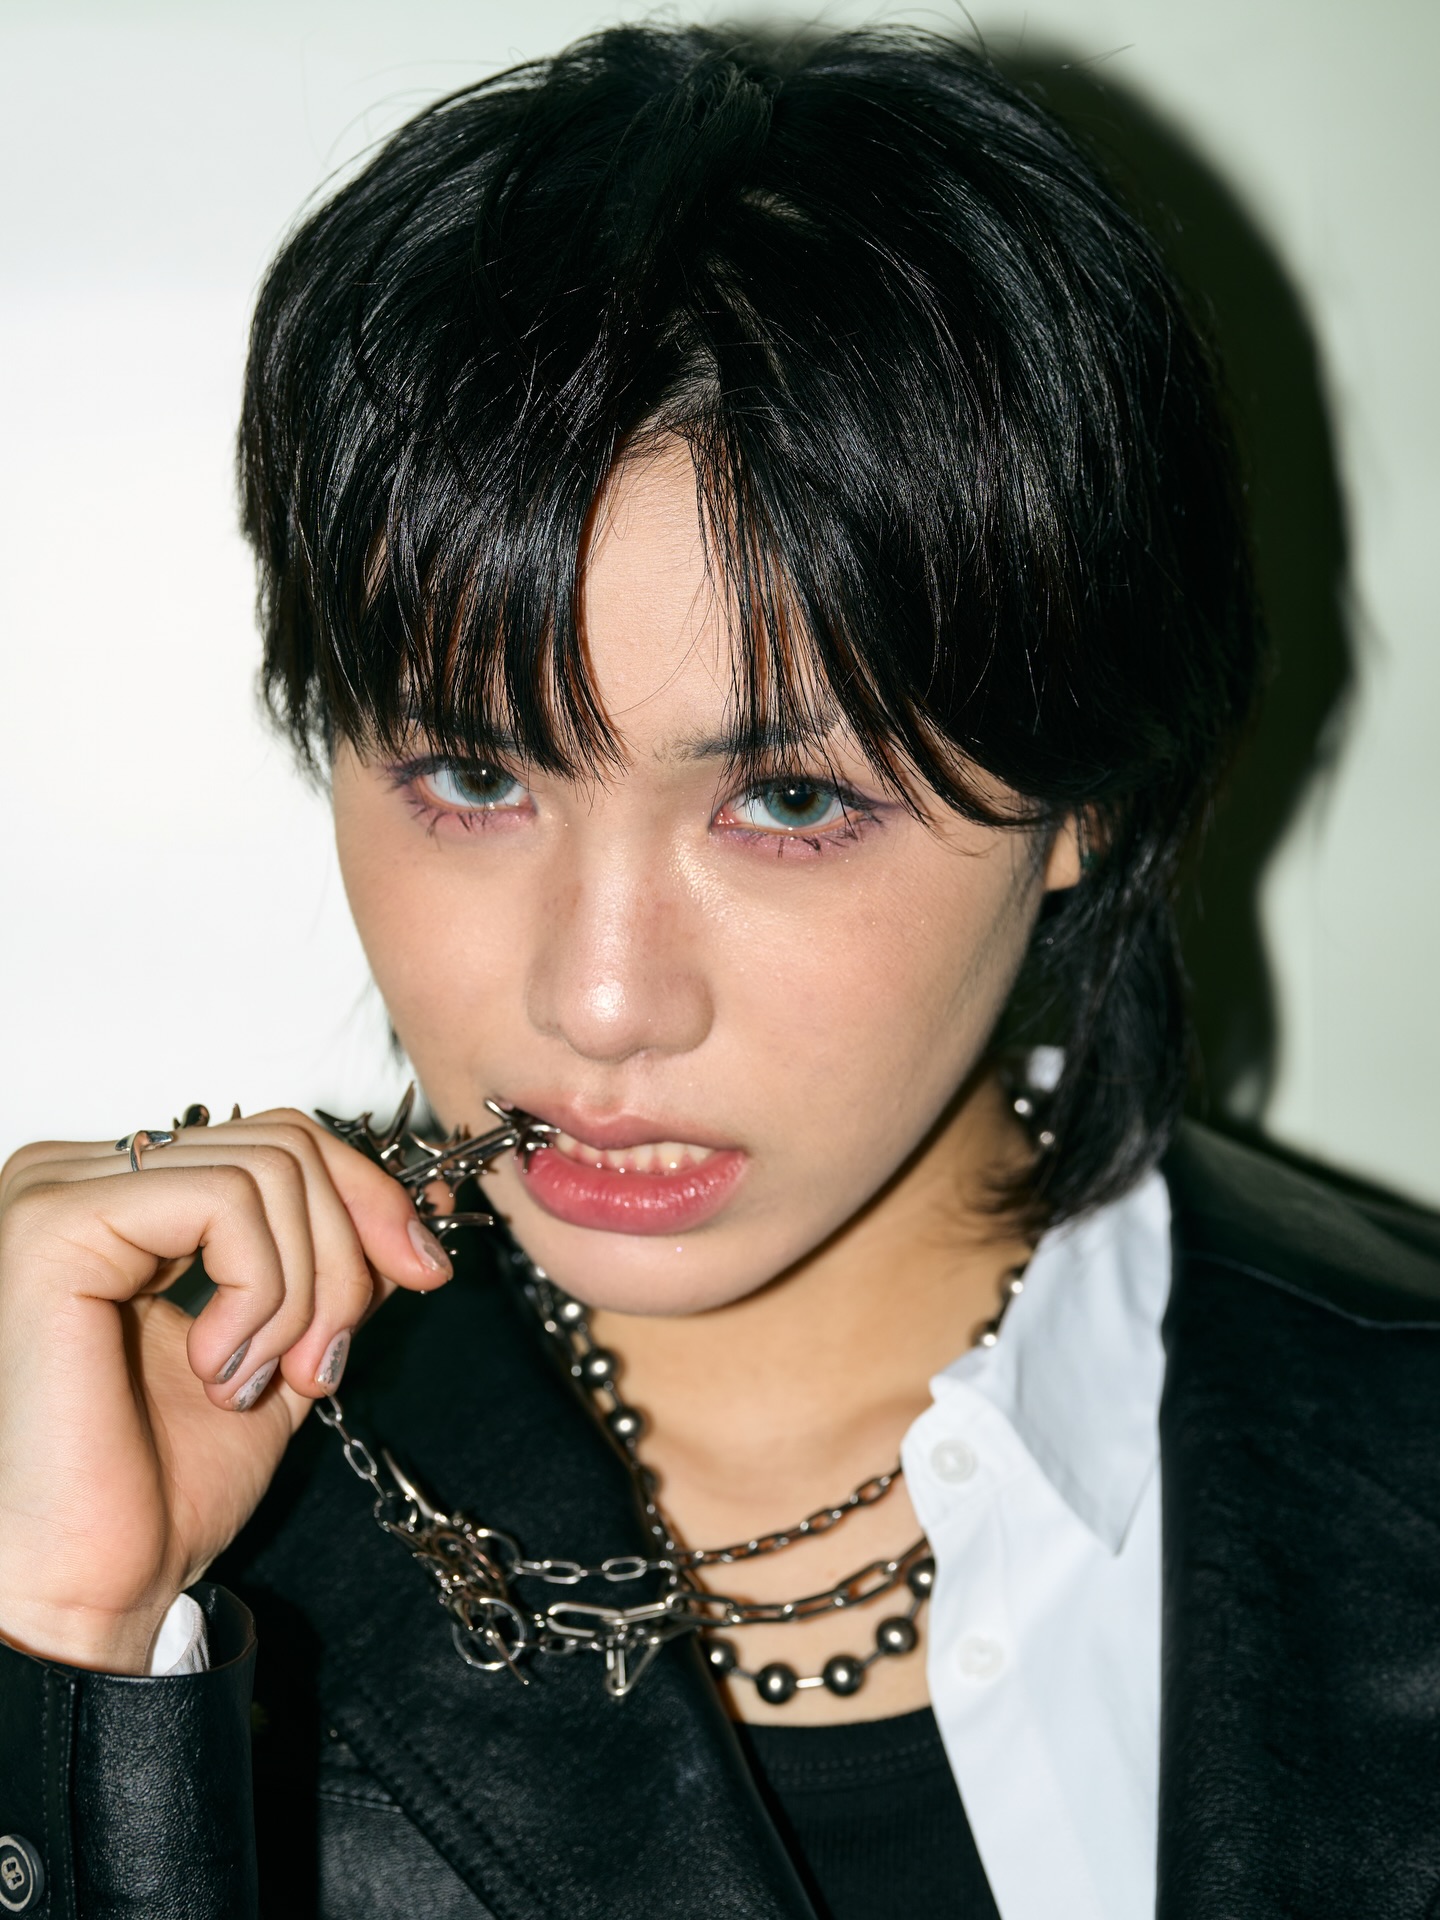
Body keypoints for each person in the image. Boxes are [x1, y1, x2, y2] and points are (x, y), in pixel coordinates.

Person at [1, 23, 1437, 1920]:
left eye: (789, 801)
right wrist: (69, 1668)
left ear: (1084, 794)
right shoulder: (133, 1488)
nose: (600, 1003)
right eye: (472, 776)